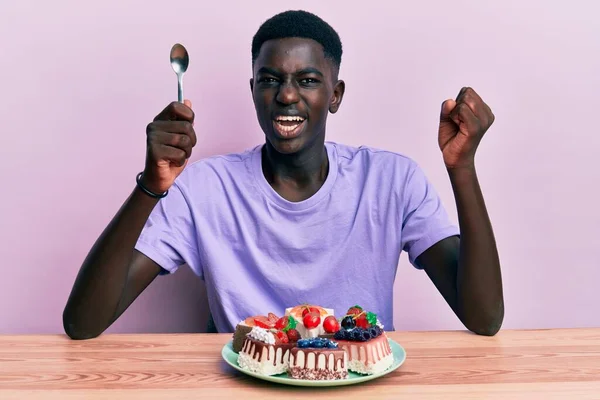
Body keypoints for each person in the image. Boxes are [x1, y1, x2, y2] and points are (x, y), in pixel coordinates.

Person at [63, 10, 503, 339]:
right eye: (270, 80)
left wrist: (462, 169)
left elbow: (483, 318)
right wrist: (150, 185)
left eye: (308, 80)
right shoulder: (204, 189)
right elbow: (83, 323)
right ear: (253, 90)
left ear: (335, 95)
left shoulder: (391, 181)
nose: (287, 94)